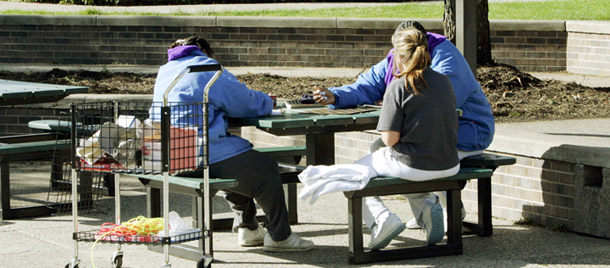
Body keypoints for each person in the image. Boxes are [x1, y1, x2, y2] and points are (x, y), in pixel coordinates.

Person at [312, 21, 495, 230]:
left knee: (398, 155)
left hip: (467, 132)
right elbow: (368, 84)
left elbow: (436, 104)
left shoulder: (446, 58)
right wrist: (336, 95)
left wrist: (396, 103)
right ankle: (427, 212)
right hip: (430, 135)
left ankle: (448, 209)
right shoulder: (397, 59)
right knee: (395, 153)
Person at [149, 35, 313, 252]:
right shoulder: (207, 68)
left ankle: (249, 228)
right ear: (204, 51)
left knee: (237, 158)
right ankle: (280, 236)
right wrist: (268, 100)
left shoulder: (166, 70)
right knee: (264, 168)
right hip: (198, 153)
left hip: (164, 155)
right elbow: (246, 103)